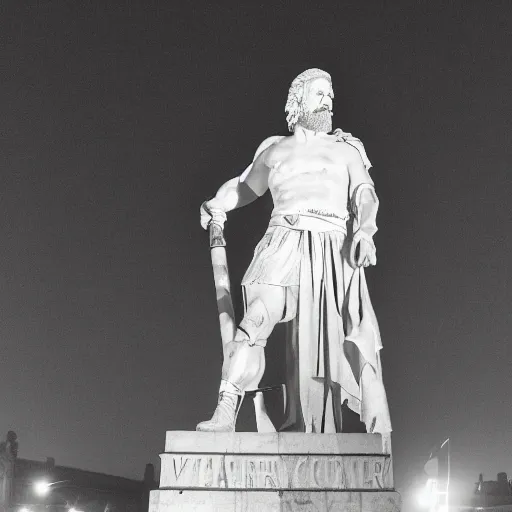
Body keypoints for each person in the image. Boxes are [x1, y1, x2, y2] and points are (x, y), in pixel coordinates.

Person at [197, 68, 391, 435]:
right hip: (283, 239)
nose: (329, 99)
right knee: (253, 322)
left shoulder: (346, 149)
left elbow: (365, 193)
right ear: (298, 99)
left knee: (341, 344)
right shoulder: (273, 149)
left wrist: (366, 230)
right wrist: (216, 204)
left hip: (332, 246)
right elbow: (244, 188)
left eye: (331, 94)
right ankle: (226, 407)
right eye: (320, 92)